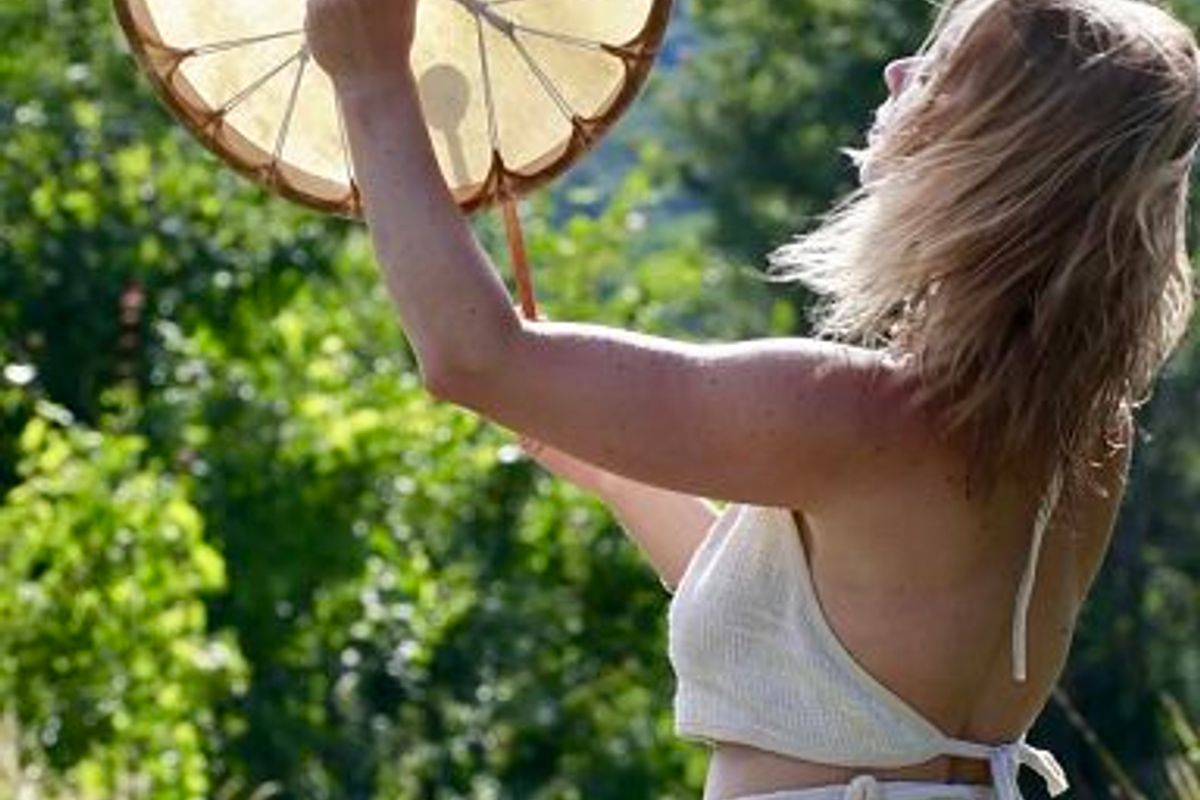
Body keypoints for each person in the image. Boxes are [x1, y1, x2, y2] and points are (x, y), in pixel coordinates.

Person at [303, 0, 1200, 797]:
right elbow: (811, 652)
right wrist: (617, 477)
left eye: (939, 71)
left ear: (994, 151)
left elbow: (473, 358)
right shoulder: (1088, 431)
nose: (898, 71)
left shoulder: (854, 414)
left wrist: (369, 75)